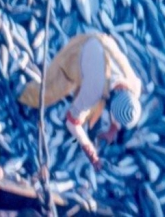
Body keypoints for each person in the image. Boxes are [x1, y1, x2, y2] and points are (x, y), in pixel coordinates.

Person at [18, 33, 143, 171]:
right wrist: (89, 150)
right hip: (80, 49)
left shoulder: (134, 86)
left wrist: (113, 129)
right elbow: (71, 122)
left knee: (89, 103)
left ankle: (80, 91)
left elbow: (122, 104)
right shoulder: (95, 90)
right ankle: (18, 91)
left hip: (103, 42)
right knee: (47, 94)